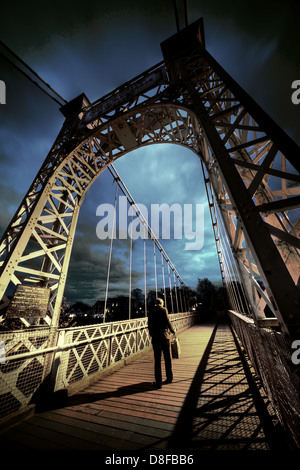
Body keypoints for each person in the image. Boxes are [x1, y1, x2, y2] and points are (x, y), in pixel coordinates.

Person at [148, 297, 176, 389]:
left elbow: (149, 324)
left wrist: (151, 334)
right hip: (165, 337)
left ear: (155, 303)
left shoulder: (151, 311)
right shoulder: (164, 310)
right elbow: (167, 321)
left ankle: (158, 383)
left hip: (156, 338)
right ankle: (169, 377)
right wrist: (172, 330)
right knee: (167, 358)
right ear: (162, 303)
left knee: (157, 360)